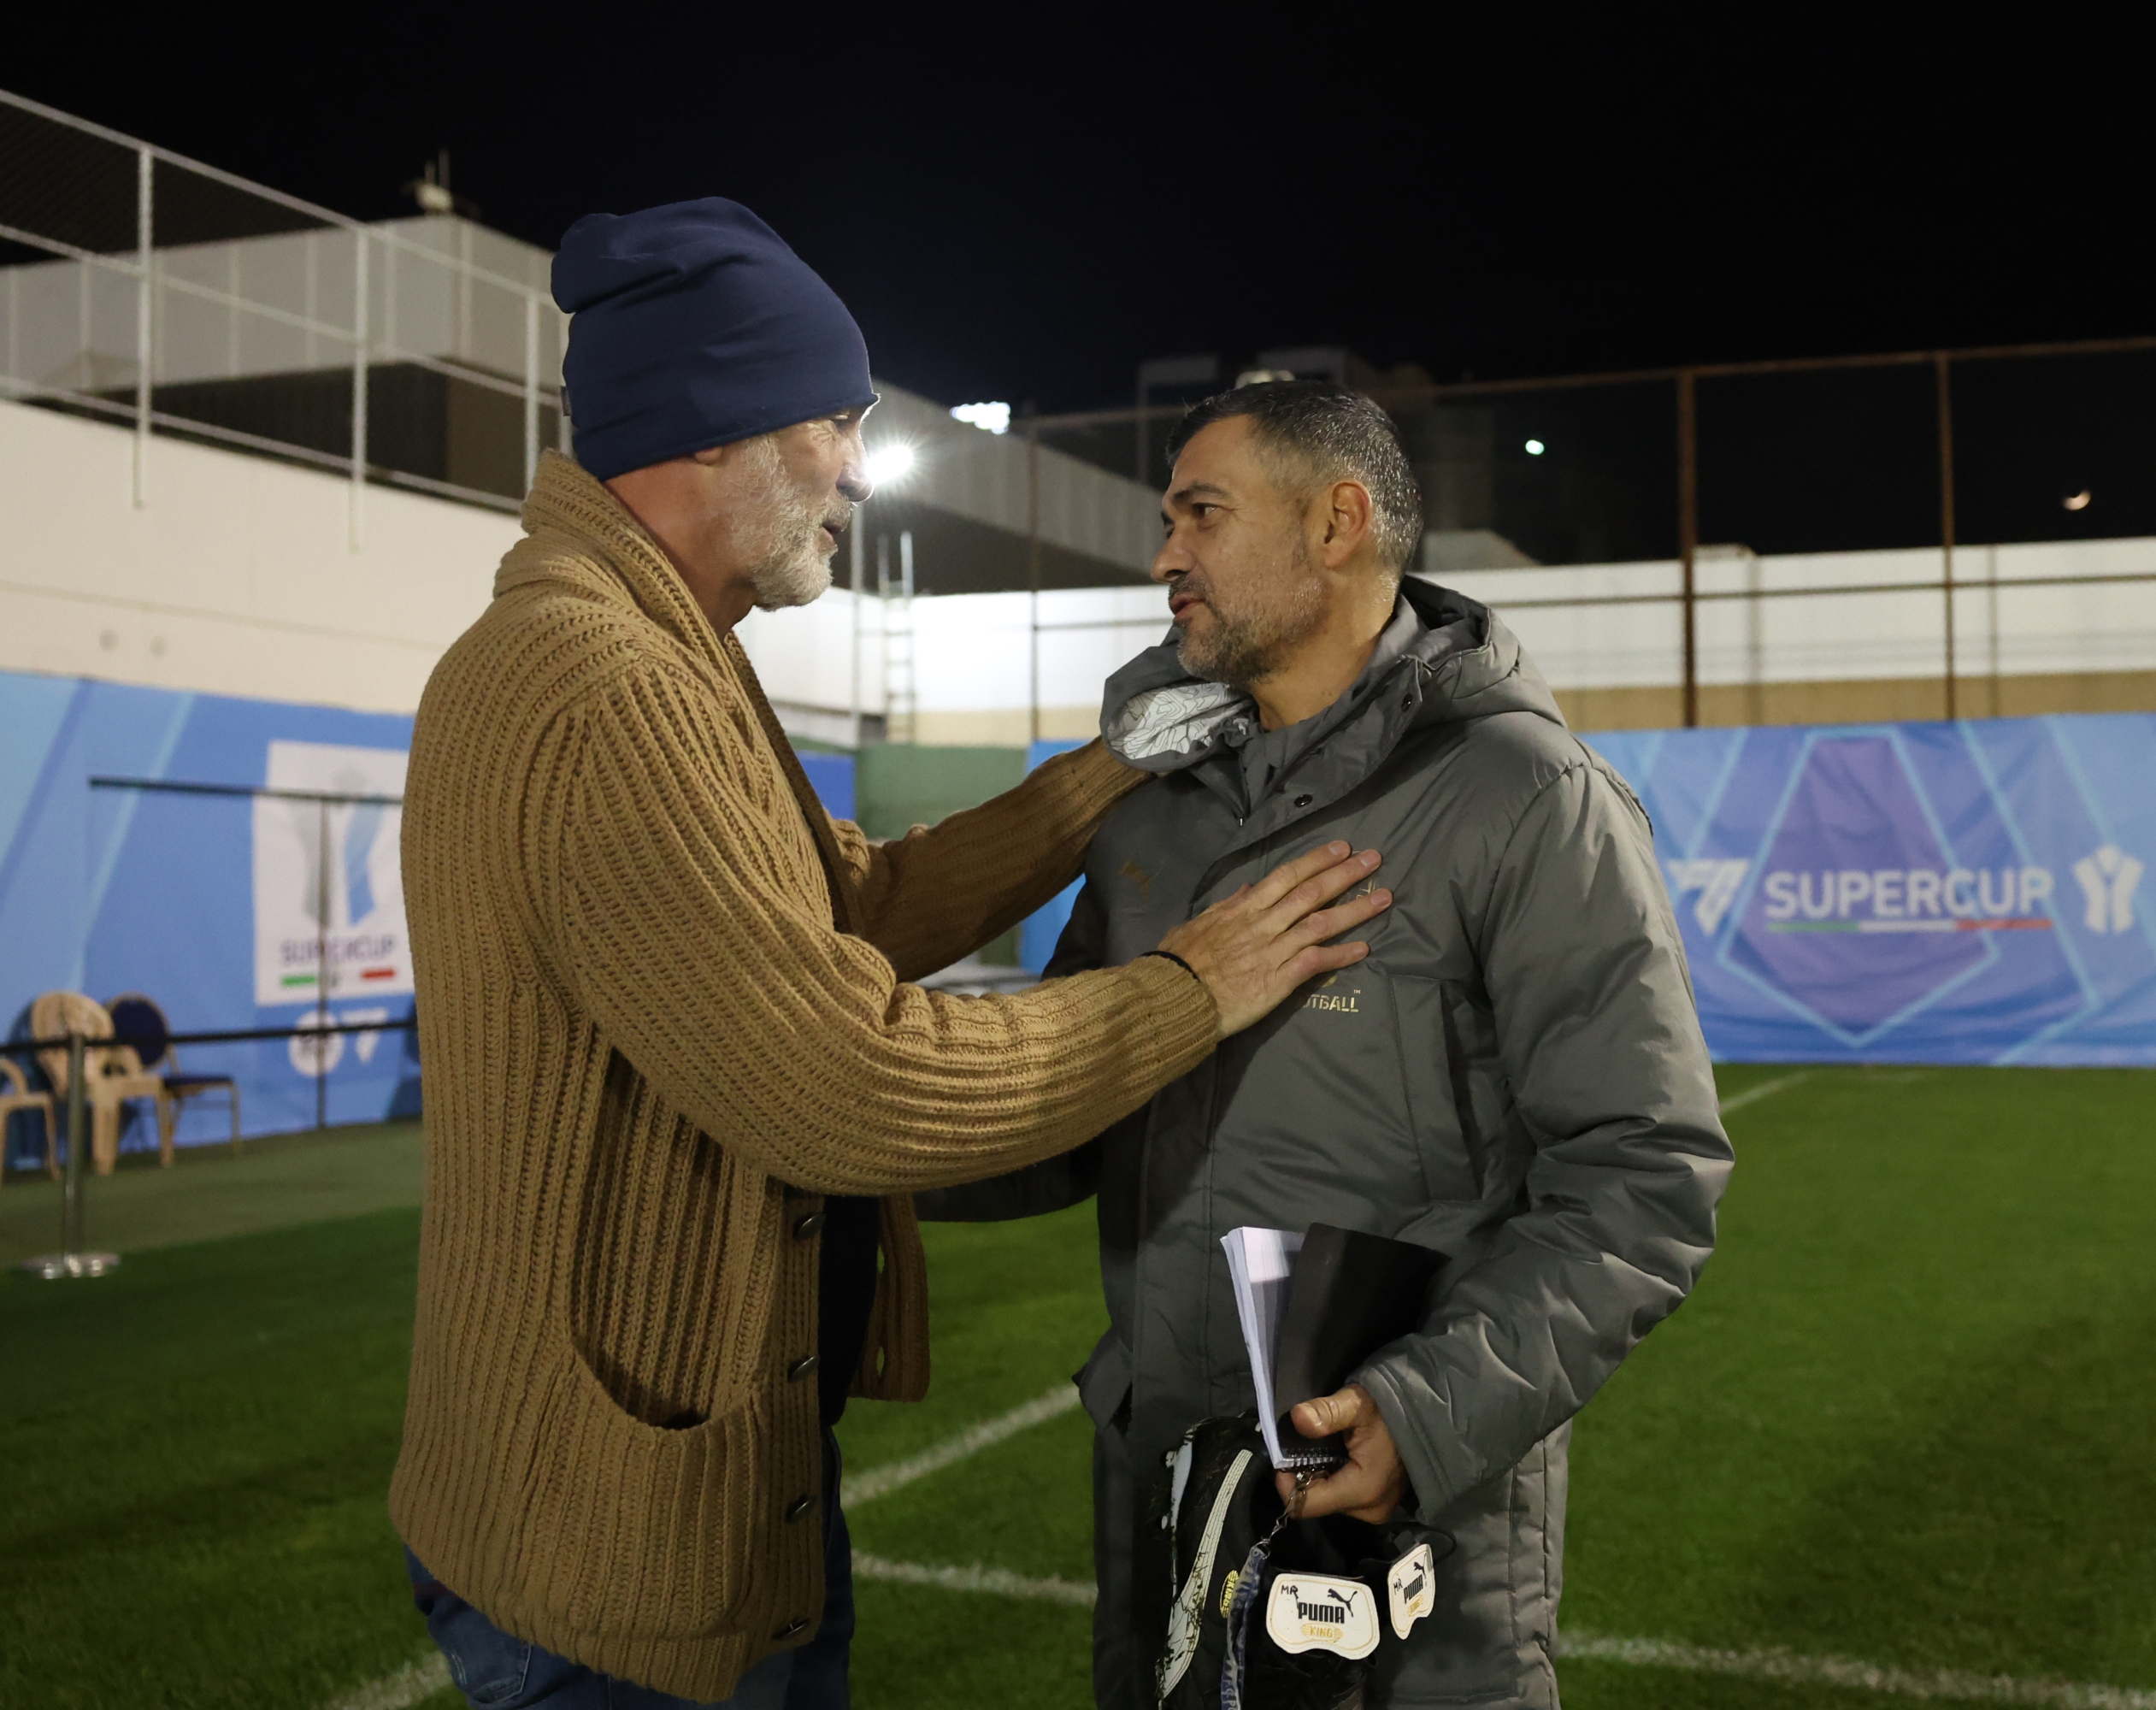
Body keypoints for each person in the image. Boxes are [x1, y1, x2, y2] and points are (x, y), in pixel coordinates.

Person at [387, 207, 1395, 1710]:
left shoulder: (654, 648)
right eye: (833, 424)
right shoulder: (600, 686)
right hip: (606, 1543)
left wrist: (1104, 773)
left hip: (694, 1487)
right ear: (712, 431)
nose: (859, 467)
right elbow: (844, 1079)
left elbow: (838, 908)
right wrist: (1196, 985)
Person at [922, 380, 1734, 1708]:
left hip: (1412, 1528)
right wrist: (844, 1148)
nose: (1163, 555)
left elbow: (1644, 1174)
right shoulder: (1152, 811)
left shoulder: (1523, 797)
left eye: (1201, 513)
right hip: (1168, 1496)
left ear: (1336, 525)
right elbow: (1072, 1092)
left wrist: (1424, 1414)